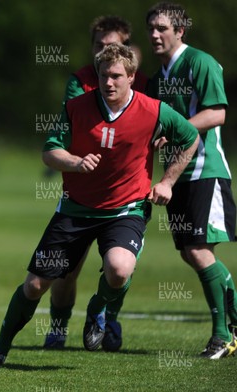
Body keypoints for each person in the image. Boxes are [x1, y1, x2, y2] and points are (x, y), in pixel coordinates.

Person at [0, 43, 199, 368]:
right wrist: (74, 161)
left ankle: (98, 307)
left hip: (126, 209)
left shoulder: (153, 110)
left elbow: (190, 137)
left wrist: (167, 181)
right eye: (102, 75)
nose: (108, 82)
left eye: (115, 76)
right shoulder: (76, 107)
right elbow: (49, 151)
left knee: (118, 270)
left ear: (131, 77)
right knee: (36, 285)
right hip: (75, 210)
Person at [44, 15, 149, 351]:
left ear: (127, 50)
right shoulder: (80, 82)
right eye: (99, 46)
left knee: (119, 267)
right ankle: (58, 330)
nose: (104, 51)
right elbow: (78, 119)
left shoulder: (144, 83)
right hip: (83, 192)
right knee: (65, 270)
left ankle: (107, 319)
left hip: (124, 195)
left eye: (112, 46)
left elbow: (157, 117)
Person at [146, 2, 237, 359]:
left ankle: (223, 334)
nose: (154, 33)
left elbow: (218, 113)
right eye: (151, 27)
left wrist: (175, 129)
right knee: (190, 253)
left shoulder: (200, 62)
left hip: (206, 171)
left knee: (199, 251)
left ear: (181, 31)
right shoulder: (158, 77)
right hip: (177, 175)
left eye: (162, 28)